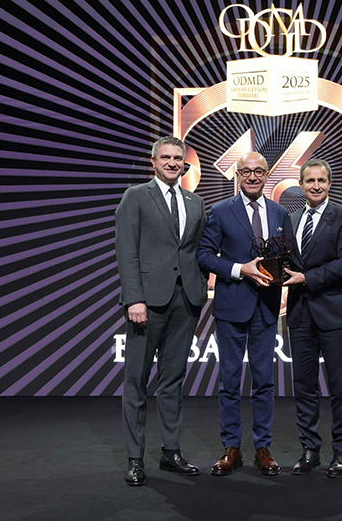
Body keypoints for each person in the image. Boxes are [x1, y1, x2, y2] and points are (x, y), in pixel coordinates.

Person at [115, 136, 208, 486]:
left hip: (185, 302)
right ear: (153, 161)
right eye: (165, 157)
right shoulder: (136, 196)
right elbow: (127, 250)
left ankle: (171, 452)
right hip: (146, 303)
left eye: (177, 158)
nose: (172, 163)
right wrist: (134, 298)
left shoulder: (195, 202)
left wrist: (200, 285)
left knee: (173, 381)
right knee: (136, 382)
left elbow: (197, 250)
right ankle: (135, 458)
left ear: (185, 164)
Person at [197, 151, 289, 476]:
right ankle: (231, 448)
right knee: (230, 381)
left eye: (258, 171)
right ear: (237, 175)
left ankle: (263, 448)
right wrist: (240, 269)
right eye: (246, 171)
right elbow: (204, 255)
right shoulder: (221, 211)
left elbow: (286, 255)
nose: (252, 176)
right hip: (232, 305)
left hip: (266, 307)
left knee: (264, 381)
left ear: (267, 175)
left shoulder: (280, 212)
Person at [282, 159, 342, 478]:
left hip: (335, 313)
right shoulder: (290, 220)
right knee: (304, 385)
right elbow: (286, 261)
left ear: (330, 184)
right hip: (300, 314)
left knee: (339, 386)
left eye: (321, 180)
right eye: (310, 180)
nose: (316, 185)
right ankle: (309, 449)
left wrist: (307, 278)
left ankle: (340, 451)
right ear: (301, 185)